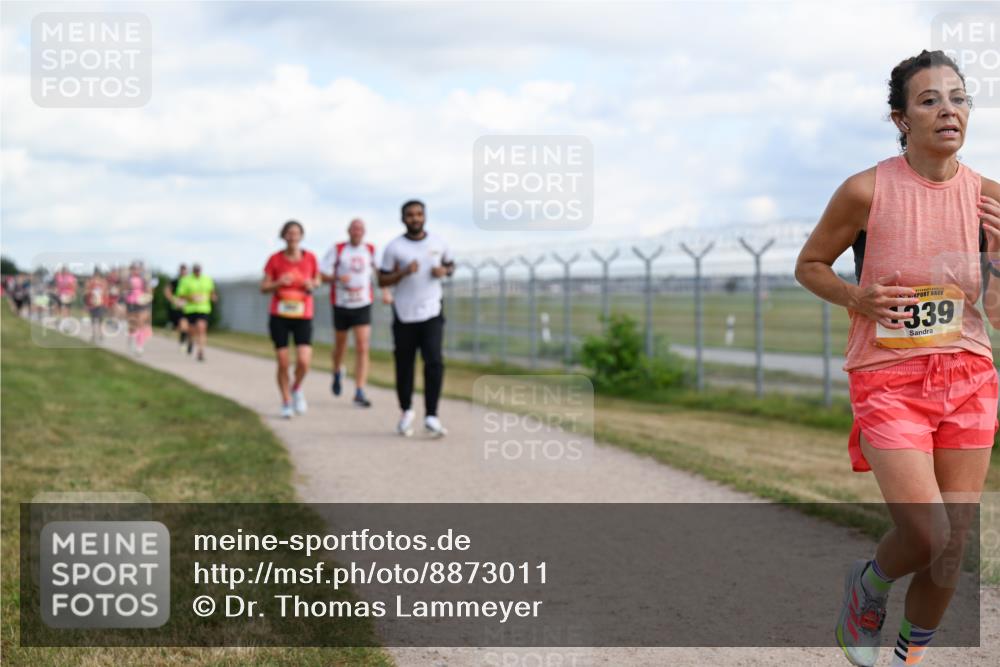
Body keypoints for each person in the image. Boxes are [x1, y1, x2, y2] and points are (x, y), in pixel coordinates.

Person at [796, 50, 1000, 667]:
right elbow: (809, 266)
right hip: (888, 376)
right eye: (930, 99)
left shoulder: (989, 197)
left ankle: (908, 658)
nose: (948, 110)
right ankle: (870, 586)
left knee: (952, 544)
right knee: (926, 532)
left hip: (968, 374)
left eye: (958, 98)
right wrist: (857, 296)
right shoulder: (866, 190)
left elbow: (996, 309)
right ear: (901, 119)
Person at [378, 200, 454, 437]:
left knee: (434, 362)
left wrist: (444, 271)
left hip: (431, 311)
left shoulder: (439, 242)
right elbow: (382, 280)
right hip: (404, 314)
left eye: (419, 214)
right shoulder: (394, 247)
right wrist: (402, 272)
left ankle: (432, 415)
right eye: (410, 215)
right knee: (405, 364)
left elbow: (451, 265)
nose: (415, 218)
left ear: (425, 217)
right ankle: (406, 410)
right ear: (403, 219)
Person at [321, 218, 389, 408]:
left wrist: (385, 292)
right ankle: (336, 370)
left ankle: (359, 390)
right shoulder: (338, 249)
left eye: (361, 229)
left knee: (362, 346)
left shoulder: (371, 250)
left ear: (364, 232)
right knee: (340, 346)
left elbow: (379, 273)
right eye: (354, 228)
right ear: (348, 231)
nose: (357, 232)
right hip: (341, 303)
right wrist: (336, 278)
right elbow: (322, 274)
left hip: (362, 303)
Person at [262, 220, 320, 419]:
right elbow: (264, 287)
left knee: (304, 361)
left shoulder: (310, 257)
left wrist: (311, 283)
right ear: (283, 235)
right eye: (289, 232)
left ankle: (296, 388)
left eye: (296, 232)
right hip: (280, 315)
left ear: (301, 236)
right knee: (283, 361)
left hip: (303, 314)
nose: (293, 236)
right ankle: (286, 401)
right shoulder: (275, 259)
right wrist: (279, 282)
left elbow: (317, 280)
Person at [175, 262, 216, 362]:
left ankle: (200, 352)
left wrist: (213, 297)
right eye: (195, 270)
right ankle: (190, 341)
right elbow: (180, 295)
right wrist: (191, 297)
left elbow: (211, 292)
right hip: (190, 309)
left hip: (203, 308)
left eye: (199, 270)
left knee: (202, 328)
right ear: (193, 270)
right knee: (191, 330)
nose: (197, 272)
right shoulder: (186, 280)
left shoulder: (207, 279)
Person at [164, 263, 190, 351]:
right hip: (177, 307)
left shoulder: (190, 281)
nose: (183, 272)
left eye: (185, 270)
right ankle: (182, 340)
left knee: (185, 325)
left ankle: (185, 342)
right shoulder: (175, 281)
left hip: (188, 307)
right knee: (180, 326)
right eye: (182, 270)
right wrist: (174, 301)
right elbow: (167, 291)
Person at [83, 268, 110, 343]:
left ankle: (101, 334)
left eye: (97, 274)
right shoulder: (89, 282)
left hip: (101, 303)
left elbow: (106, 293)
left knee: (100, 319)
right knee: (93, 319)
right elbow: (85, 293)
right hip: (91, 303)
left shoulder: (103, 282)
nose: (96, 276)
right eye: (95, 274)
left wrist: (106, 303)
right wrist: (86, 303)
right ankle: (94, 334)